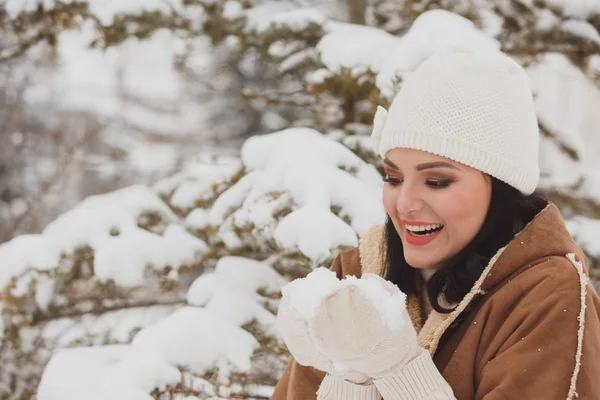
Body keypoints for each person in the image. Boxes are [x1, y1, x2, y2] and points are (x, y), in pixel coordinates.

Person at [270, 49, 600, 400]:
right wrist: (350, 381)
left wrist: (399, 374)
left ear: (501, 190)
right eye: (394, 178)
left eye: (438, 182)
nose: (406, 204)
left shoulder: (546, 295)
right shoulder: (353, 277)